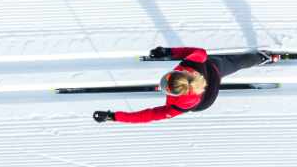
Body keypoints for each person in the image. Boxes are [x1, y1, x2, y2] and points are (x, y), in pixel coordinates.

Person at [92, 47, 278, 123]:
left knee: (228, 63)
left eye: (165, 88)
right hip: (212, 73)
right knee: (234, 63)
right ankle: (263, 58)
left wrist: (114, 117)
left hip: (205, 95)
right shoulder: (193, 64)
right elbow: (198, 51)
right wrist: (169, 51)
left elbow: (147, 116)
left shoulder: (176, 106)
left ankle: (262, 58)